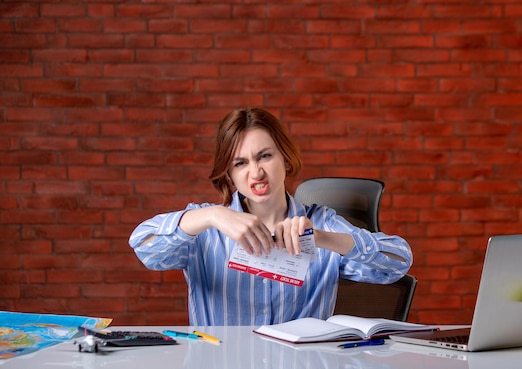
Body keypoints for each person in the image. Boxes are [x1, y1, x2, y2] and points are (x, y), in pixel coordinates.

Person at [129, 107, 413, 326]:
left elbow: (397, 263)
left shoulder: (322, 223)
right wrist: (211, 215)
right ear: (229, 175)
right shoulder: (205, 227)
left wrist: (323, 239)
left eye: (265, 156)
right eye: (240, 163)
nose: (256, 173)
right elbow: (144, 247)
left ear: (285, 160)